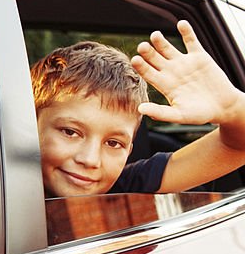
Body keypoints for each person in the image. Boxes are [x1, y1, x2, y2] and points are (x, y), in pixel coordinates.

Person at [31, 20, 245, 197]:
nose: (90, 159)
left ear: (129, 150)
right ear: (30, 127)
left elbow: (237, 147)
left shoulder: (127, 188)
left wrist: (232, 106)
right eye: (70, 132)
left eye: (114, 143)